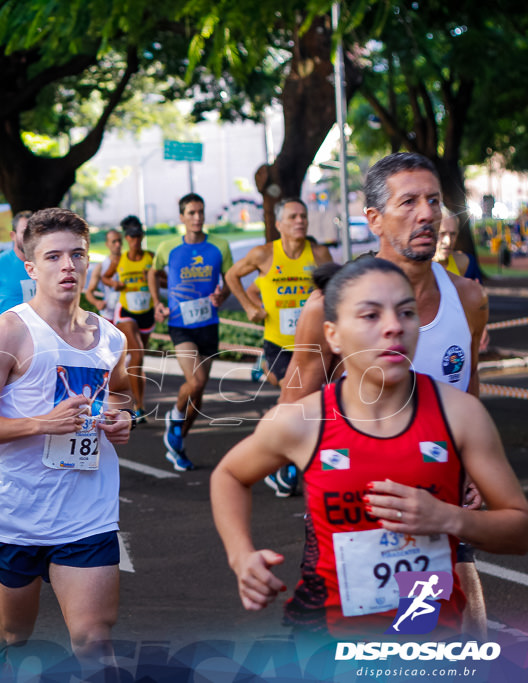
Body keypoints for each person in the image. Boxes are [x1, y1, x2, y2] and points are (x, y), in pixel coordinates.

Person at [211, 257, 528, 638]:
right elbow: (228, 475)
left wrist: (449, 518)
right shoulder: (302, 421)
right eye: (370, 316)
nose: (394, 327)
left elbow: (519, 530)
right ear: (333, 335)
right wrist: (241, 556)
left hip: (423, 641)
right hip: (327, 645)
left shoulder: (460, 415)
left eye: (406, 312)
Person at [278, 152, 491, 637]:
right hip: (355, 504)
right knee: (355, 639)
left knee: (450, 631)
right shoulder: (329, 305)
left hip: (439, 496)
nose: (427, 214)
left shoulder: (468, 300)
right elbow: (292, 406)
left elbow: (468, 390)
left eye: (434, 201)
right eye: (409, 202)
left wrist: (474, 463)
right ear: (373, 218)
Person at [0, 207, 133, 680]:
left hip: (85, 511)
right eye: (53, 256)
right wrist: (39, 424)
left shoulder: (110, 337)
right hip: (17, 510)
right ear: (30, 268)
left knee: (94, 638)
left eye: (76, 254)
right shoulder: (8, 332)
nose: (67, 265)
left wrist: (120, 420)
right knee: (15, 631)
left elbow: (118, 397)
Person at [147, 195, 233, 471]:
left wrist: (223, 294)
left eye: (200, 212)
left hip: (209, 324)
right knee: (194, 382)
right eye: (191, 213)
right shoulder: (168, 247)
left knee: (199, 393)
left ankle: (177, 443)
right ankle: (174, 416)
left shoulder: (220, 246)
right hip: (181, 325)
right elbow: (153, 272)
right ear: (182, 217)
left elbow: (230, 279)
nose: (197, 217)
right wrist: (157, 303)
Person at [224, 198, 334, 386]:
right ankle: (268, 367)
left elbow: (333, 287)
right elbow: (231, 275)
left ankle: (268, 371)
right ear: (279, 225)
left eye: (303, 217)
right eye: (293, 217)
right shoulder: (264, 254)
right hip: (278, 341)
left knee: (310, 391)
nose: (300, 221)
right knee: (293, 388)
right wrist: (249, 307)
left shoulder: (320, 254)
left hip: (313, 339)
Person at [102, 216, 154, 423]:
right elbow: (106, 277)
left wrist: (153, 276)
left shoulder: (150, 257)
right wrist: (114, 284)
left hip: (146, 313)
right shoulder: (119, 260)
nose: (135, 240)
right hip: (126, 313)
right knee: (138, 355)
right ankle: (139, 407)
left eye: (138, 236)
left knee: (136, 362)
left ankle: (133, 401)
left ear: (142, 237)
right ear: (127, 238)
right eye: (131, 237)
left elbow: (166, 281)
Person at [84, 229, 122, 322]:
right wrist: (97, 302)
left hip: (128, 313)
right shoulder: (101, 266)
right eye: (114, 242)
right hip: (109, 314)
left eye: (119, 241)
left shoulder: (129, 263)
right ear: (107, 244)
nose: (118, 244)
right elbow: (89, 292)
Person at [434, 209, 469, 276]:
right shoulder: (419, 266)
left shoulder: (461, 262)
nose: (448, 241)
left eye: (453, 234)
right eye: (442, 233)